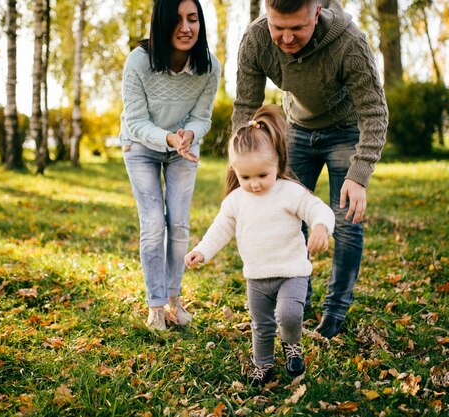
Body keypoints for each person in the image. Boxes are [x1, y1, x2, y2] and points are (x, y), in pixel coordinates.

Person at [232, 0, 388, 339]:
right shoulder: (256, 40)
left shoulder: (349, 43)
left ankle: (335, 310)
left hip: (345, 131)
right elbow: (246, 105)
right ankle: (299, 294)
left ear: (317, 13)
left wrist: (358, 174)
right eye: (278, 28)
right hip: (296, 129)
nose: (286, 39)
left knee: (345, 221)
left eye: (297, 29)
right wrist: (238, 166)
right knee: (289, 215)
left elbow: (374, 111)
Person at [185, 105, 335, 386]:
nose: (253, 184)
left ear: (278, 163)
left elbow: (318, 209)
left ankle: (292, 344)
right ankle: (262, 364)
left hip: (292, 272)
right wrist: (202, 250)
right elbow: (221, 228)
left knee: (289, 314)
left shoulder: (289, 191)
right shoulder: (236, 200)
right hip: (256, 277)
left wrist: (320, 227)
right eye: (245, 177)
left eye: (262, 175)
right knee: (262, 326)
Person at [120, 0, 220, 331]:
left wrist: (188, 134)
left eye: (193, 19)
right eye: (177, 20)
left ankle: (175, 300)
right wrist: (168, 138)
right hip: (140, 146)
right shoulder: (139, 62)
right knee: (153, 225)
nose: (186, 27)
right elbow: (135, 120)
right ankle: (155, 306)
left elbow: (202, 117)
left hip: (183, 150)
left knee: (178, 225)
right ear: (161, 24)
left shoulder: (209, 67)